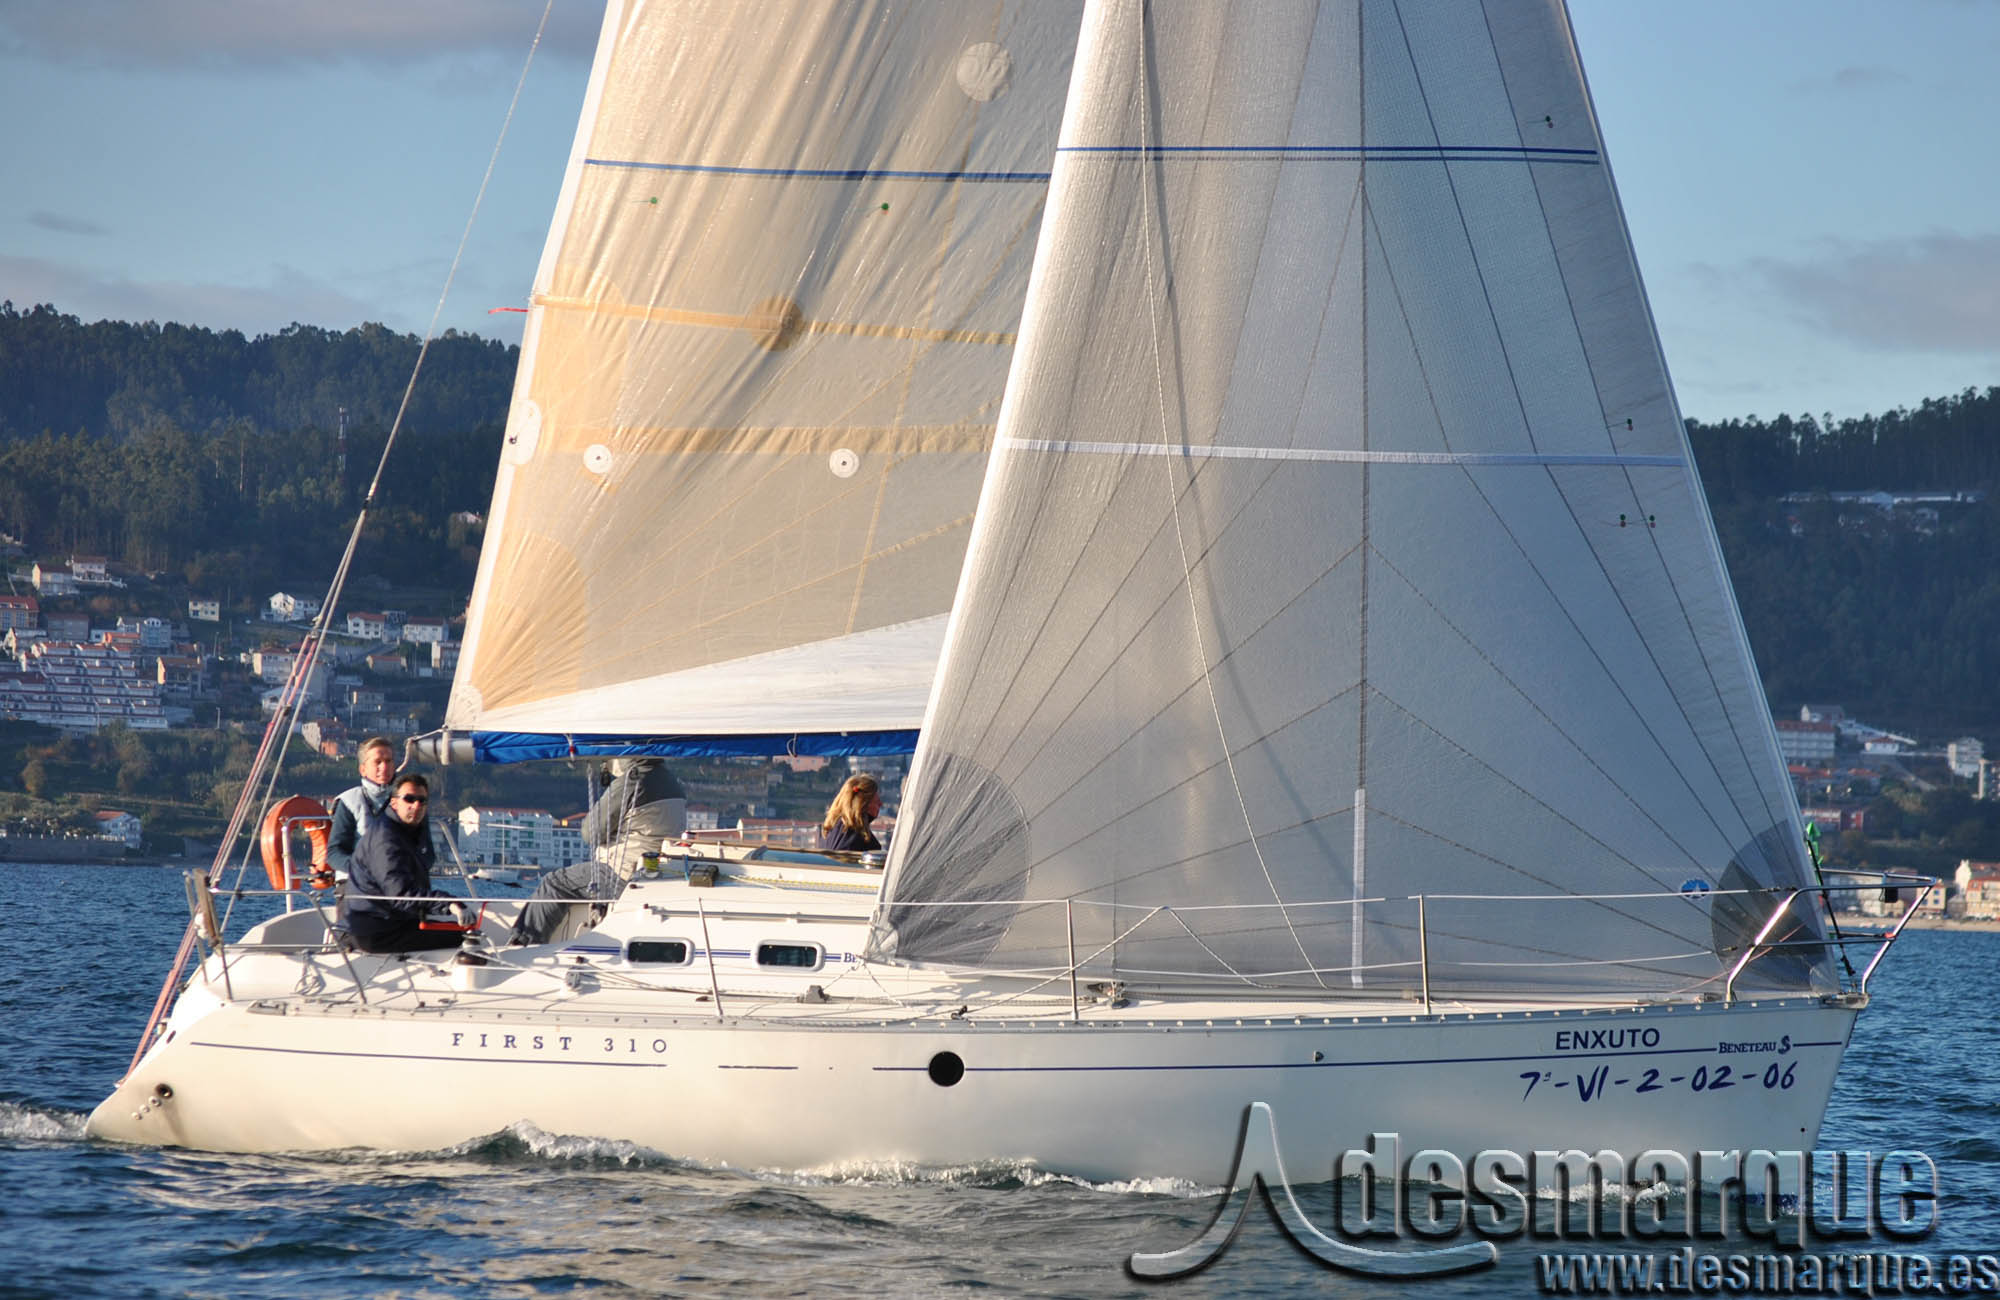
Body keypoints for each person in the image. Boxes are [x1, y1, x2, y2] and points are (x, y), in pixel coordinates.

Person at [510, 757, 687, 947]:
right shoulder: (670, 781)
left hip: (623, 873)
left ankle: (523, 945)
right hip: (656, 873)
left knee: (554, 883)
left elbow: (591, 833)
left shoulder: (632, 782)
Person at [340, 774, 465, 953]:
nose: (416, 805)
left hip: (391, 921)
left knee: (457, 930)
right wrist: (449, 904)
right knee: (462, 936)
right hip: (376, 931)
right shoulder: (386, 839)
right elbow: (400, 895)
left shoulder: (407, 831)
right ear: (394, 803)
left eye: (422, 800)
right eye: (409, 799)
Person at [328, 735, 438, 878]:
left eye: (388, 761)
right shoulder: (349, 801)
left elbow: (427, 853)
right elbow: (334, 853)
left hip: (400, 881)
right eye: (377, 762)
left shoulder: (412, 799)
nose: (384, 767)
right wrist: (362, 868)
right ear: (363, 769)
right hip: (356, 881)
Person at [818, 774, 882, 853]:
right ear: (863, 804)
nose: (880, 804)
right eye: (877, 800)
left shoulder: (827, 831)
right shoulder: (859, 837)